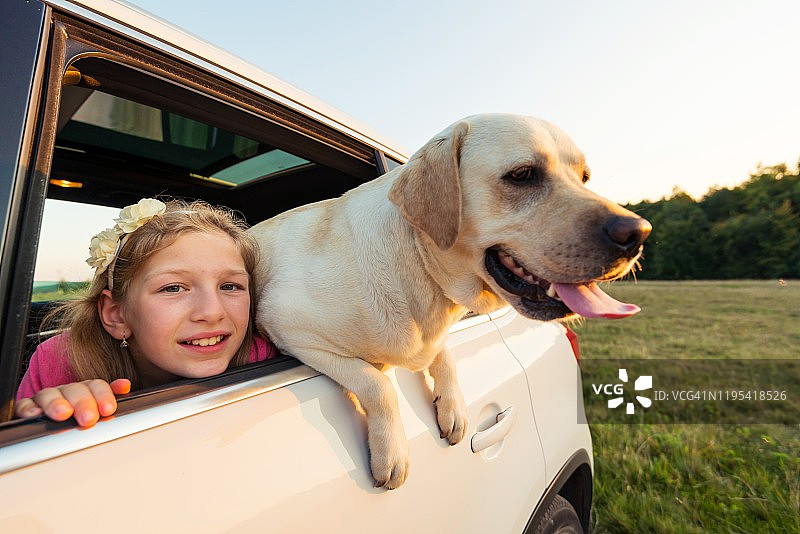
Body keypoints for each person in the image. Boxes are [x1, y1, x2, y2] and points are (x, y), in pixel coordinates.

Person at [15, 198, 276, 427]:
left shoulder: (265, 356)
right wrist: (50, 413)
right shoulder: (59, 361)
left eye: (230, 286)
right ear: (117, 315)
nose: (212, 312)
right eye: (173, 288)